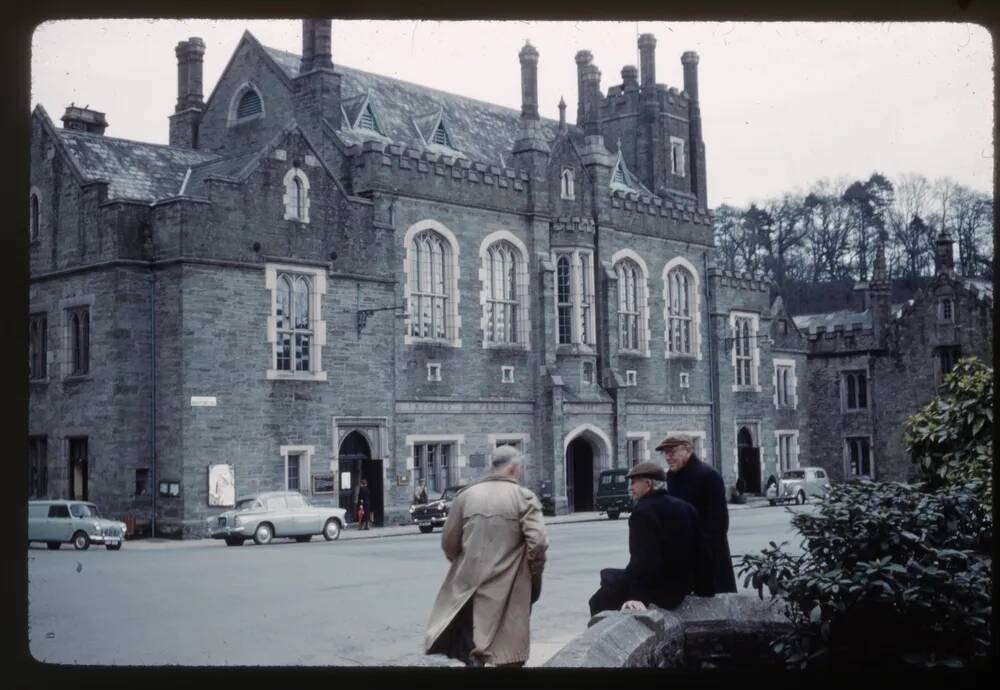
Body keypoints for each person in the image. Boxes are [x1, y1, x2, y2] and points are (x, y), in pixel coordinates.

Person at [425, 445, 548, 667]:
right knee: (509, 653)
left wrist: (467, 562)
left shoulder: (466, 496)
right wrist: (532, 575)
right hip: (510, 585)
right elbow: (538, 543)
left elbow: (449, 543)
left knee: (474, 648)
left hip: (471, 584)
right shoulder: (524, 497)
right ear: (513, 468)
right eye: (518, 468)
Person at [587, 462, 703, 615]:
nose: (630, 488)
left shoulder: (642, 512)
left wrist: (636, 597)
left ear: (648, 484)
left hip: (659, 591)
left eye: (634, 483)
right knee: (610, 577)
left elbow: (644, 559)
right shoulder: (686, 507)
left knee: (598, 600)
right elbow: (701, 550)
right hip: (683, 587)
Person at [658, 434, 738, 594]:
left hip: (708, 557)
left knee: (716, 605)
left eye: (672, 452)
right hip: (683, 555)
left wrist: (703, 556)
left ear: (688, 450)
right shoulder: (671, 476)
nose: (668, 457)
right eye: (665, 453)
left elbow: (718, 524)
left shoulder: (708, 475)